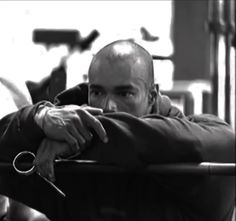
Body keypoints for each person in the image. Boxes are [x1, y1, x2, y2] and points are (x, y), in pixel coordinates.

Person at [0, 40, 235, 221]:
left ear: (152, 95)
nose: (107, 106)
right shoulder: (67, 154)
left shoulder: (204, 132)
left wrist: (84, 132)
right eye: (98, 92)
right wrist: (40, 118)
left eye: (125, 93)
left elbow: (218, 144)